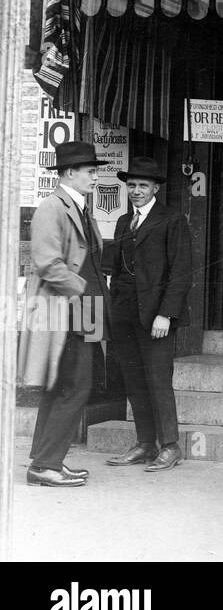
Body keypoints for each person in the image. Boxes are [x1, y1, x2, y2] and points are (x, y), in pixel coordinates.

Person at [22, 140, 109, 487]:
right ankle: (45, 464)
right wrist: (83, 289)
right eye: (90, 172)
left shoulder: (79, 208)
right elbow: (46, 263)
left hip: (86, 309)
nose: (95, 177)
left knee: (66, 385)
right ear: (70, 173)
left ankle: (45, 459)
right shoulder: (52, 208)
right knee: (75, 386)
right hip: (67, 309)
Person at [104, 157, 193, 472]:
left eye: (143, 185)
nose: (136, 191)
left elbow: (181, 273)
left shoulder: (171, 220)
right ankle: (144, 444)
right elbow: (113, 271)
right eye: (131, 185)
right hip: (125, 315)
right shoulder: (122, 222)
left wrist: (166, 315)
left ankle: (170, 446)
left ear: (155, 188)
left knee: (158, 380)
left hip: (155, 317)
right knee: (134, 380)